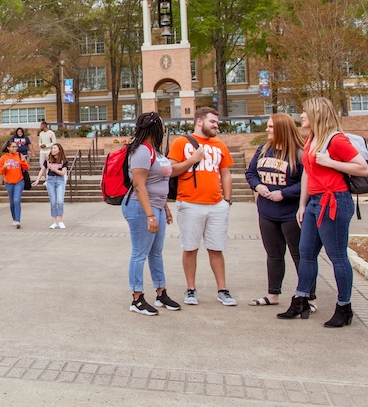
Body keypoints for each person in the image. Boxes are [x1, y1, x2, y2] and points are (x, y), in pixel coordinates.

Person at [277, 97, 368, 327]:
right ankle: (301, 299)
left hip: (334, 200)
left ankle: (344, 307)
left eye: (305, 112)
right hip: (315, 203)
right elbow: (308, 172)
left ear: (317, 114)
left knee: (337, 256)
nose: (302, 115)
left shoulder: (336, 139)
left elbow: (361, 167)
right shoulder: (311, 138)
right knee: (305, 252)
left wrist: (330, 162)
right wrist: (302, 205)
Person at [245, 113, 316, 309]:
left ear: (282, 129)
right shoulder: (263, 150)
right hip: (267, 212)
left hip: (291, 213)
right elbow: (250, 173)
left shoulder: (300, 153)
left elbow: (308, 183)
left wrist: (283, 194)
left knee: (299, 255)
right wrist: (258, 186)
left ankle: (309, 297)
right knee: (273, 254)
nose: (266, 129)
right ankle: (273, 294)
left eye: (270, 127)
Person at [168, 107, 236, 307]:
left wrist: (227, 201)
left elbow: (226, 174)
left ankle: (222, 290)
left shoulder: (220, 145)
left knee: (216, 248)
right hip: (189, 203)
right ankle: (190, 289)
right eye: (212, 121)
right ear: (199, 121)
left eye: (217, 122)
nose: (216, 125)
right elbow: (171, 170)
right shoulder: (181, 142)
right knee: (190, 248)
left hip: (216, 205)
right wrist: (192, 159)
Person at [122, 112, 179, 316]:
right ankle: (136, 298)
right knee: (140, 253)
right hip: (140, 207)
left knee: (156, 252)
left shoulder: (155, 151)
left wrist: (163, 207)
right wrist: (150, 215)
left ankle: (161, 292)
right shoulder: (141, 152)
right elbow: (139, 185)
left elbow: (159, 183)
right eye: (161, 125)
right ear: (154, 127)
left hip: (156, 207)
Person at [32, 143, 69, 229]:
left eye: (55, 148)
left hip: (60, 181)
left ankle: (60, 221)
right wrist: (37, 180)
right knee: (53, 202)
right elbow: (42, 170)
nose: (53, 150)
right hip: (50, 181)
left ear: (59, 150)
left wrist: (54, 169)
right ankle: (54, 222)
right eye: (52, 148)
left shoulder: (63, 160)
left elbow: (63, 173)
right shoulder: (48, 159)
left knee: (60, 201)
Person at [0, 140, 30, 229]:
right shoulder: (4, 157)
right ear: (8, 148)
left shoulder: (20, 155)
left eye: (16, 147)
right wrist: (4, 167)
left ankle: (18, 220)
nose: (15, 148)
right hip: (8, 182)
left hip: (19, 181)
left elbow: (27, 167)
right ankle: (14, 219)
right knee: (12, 202)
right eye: (13, 147)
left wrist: (23, 161)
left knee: (16, 200)